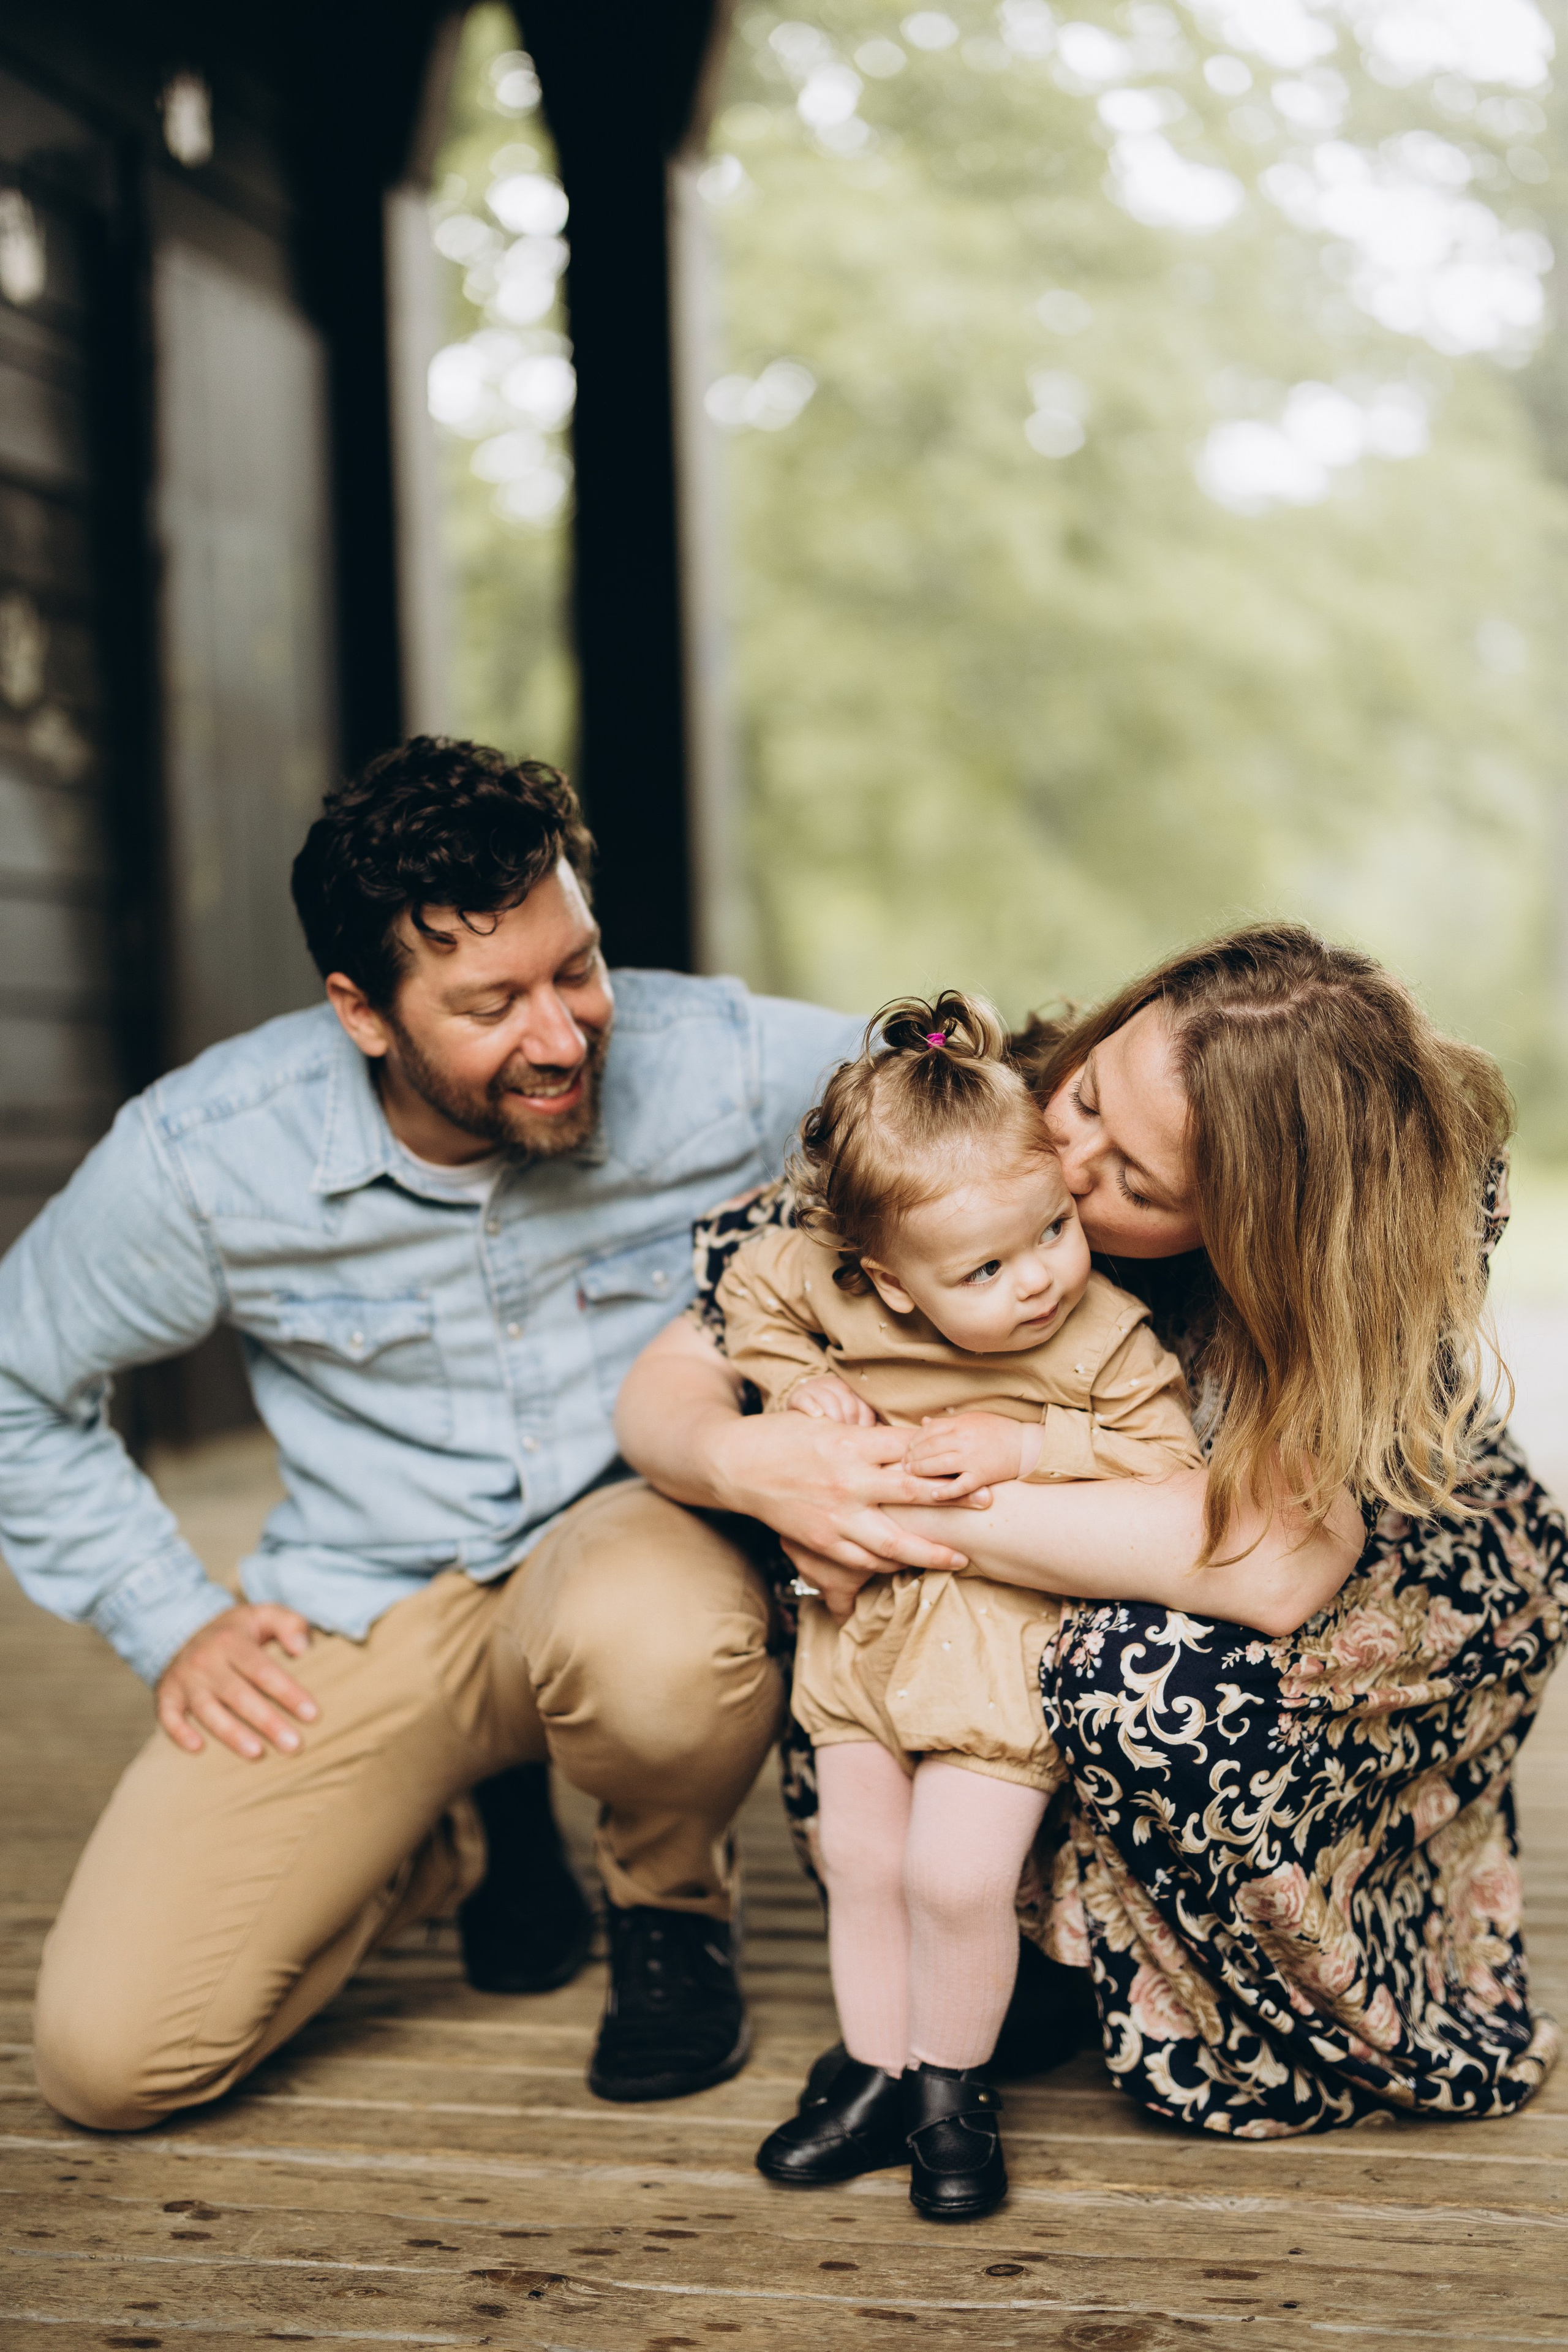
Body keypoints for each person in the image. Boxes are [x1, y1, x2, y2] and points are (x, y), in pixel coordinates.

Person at [0, 737, 864, 2131]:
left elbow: (962, 1090)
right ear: (362, 1012)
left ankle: (668, 1901)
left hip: (629, 1554)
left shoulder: (722, 1062)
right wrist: (166, 1616)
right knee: (113, 2062)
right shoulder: (208, 1153)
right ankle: (441, 1843)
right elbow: (14, 1382)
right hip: (371, 1595)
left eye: (576, 968)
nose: (562, 1035)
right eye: (491, 1004)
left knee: (657, 1656)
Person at [618, 923, 1568, 2138]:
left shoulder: (1362, 1225)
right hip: (1055, 1526)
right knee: (843, 1575)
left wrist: (893, 1494)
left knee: (1136, 1673)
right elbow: (684, 1365)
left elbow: (1272, 1562)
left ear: (1254, 1227)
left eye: (1137, 1185)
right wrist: (753, 1461)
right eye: (1085, 1099)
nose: (1066, 1163)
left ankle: (1178, 1976)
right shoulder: (981, 1117)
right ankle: (986, 1959)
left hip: (1383, 1564)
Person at [718, 990, 1201, 2218]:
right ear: (888, 1282)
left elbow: (1168, 1466)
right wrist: (792, 1385)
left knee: (952, 1875)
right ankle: (877, 2075)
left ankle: (950, 2093)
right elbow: (751, 1293)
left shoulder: (1101, 1338)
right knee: (858, 1857)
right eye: (985, 1269)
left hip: (993, 1640)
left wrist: (1029, 1444)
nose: (1038, 1279)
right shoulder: (832, 1285)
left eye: (1053, 1230)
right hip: (858, 1628)